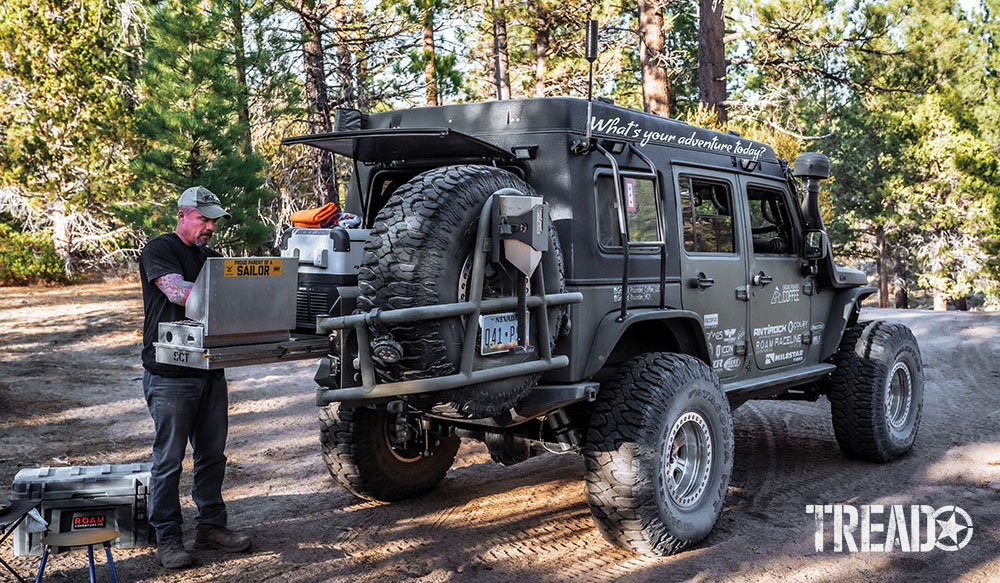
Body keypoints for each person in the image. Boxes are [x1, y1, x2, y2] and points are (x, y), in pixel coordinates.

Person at [139, 186, 251, 568]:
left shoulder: (211, 258)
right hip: (170, 374)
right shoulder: (160, 249)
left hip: (209, 369)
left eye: (214, 221)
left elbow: (233, 301)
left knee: (212, 455)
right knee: (169, 460)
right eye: (204, 219)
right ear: (183, 214)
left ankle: (210, 527)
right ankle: (168, 538)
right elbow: (177, 293)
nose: (210, 227)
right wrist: (224, 296)